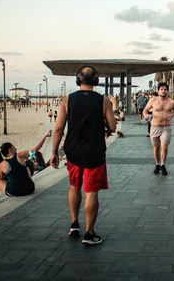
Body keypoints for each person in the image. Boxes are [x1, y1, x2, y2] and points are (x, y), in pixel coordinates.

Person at [50, 66, 117, 246]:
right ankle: (89, 232)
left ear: (78, 80)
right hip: (94, 151)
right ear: (96, 81)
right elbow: (112, 127)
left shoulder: (67, 100)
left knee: (74, 186)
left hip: (72, 151)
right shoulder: (102, 101)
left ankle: (74, 224)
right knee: (91, 192)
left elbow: (58, 129)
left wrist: (54, 152)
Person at [0, 130, 51, 206]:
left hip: (14, 191)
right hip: (30, 189)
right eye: (14, 147)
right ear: (10, 149)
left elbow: (0, 179)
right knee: (26, 169)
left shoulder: (2, 164)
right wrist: (44, 136)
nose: (16, 148)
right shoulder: (20, 155)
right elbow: (35, 149)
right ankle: (26, 184)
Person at [143, 82, 174, 176]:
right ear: (158, 91)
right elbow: (145, 110)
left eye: (165, 89)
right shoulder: (153, 100)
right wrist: (146, 115)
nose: (163, 91)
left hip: (166, 127)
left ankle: (163, 164)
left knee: (164, 146)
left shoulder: (171, 101)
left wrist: (172, 114)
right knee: (156, 147)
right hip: (155, 127)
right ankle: (157, 164)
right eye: (161, 89)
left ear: (167, 91)